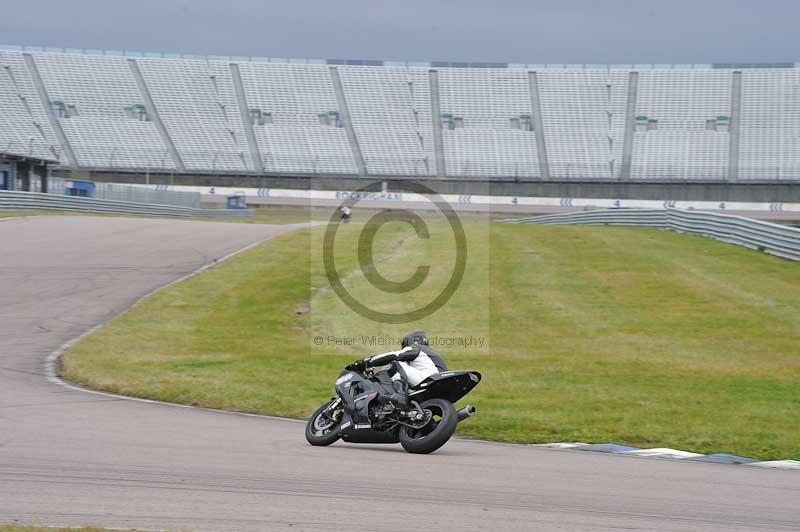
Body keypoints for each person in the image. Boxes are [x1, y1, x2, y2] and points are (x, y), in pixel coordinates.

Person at [346, 331, 447, 407]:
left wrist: (367, 361)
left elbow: (394, 355)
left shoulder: (416, 348)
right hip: (437, 384)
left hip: (428, 379)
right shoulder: (430, 356)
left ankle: (400, 396)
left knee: (395, 363)